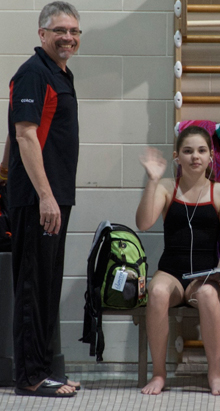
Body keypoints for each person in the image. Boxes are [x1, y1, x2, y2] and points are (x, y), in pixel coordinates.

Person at [6, 2, 82, 398]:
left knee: (47, 286)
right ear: (42, 35)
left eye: (74, 31)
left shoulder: (60, 74)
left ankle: (43, 369)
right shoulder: (34, 73)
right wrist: (45, 197)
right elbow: (23, 134)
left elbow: (12, 140)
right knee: (34, 287)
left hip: (52, 197)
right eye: (60, 31)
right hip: (40, 199)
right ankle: (30, 377)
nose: (68, 37)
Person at [136, 126, 220, 395]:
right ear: (177, 157)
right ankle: (159, 374)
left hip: (206, 274)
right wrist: (153, 180)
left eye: (202, 150)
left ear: (211, 156)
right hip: (171, 272)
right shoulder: (168, 187)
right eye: (188, 151)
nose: (195, 156)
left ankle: (214, 374)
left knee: (206, 295)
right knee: (156, 292)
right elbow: (143, 223)